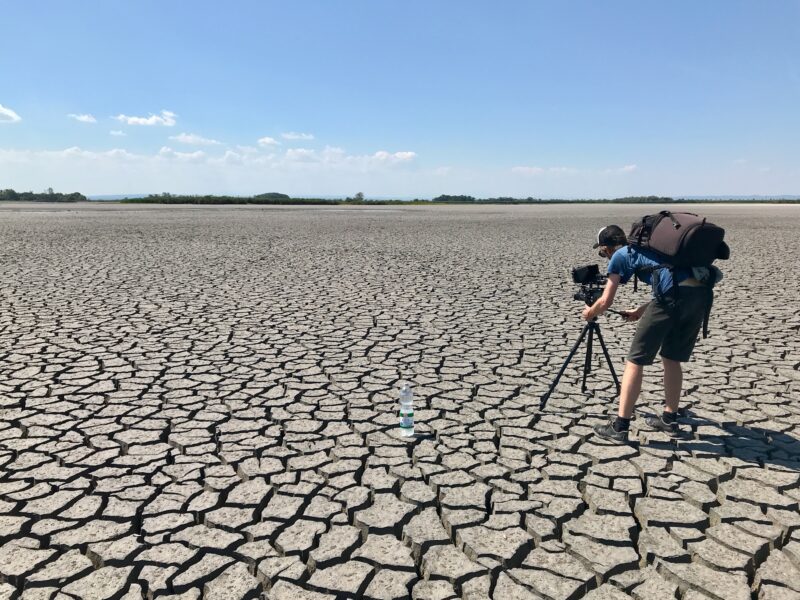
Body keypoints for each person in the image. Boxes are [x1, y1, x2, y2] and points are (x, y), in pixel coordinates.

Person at [581, 225, 714, 442]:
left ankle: (620, 427)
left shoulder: (621, 255)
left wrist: (590, 312)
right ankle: (670, 420)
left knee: (635, 361)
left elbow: (605, 301)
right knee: (671, 359)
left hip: (672, 297)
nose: (604, 256)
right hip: (700, 296)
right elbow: (674, 283)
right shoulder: (652, 250)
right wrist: (641, 311)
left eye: (603, 252)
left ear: (607, 248)